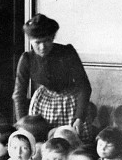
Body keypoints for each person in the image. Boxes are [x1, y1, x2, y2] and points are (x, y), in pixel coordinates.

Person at [13, 14, 92, 142]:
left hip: (71, 103)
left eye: (47, 41)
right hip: (43, 104)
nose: (43, 47)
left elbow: (84, 86)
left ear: (53, 38)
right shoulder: (27, 59)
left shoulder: (67, 52)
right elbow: (19, 94)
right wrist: (22, 124)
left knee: (72, 142)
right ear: (30, 41)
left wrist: (79, 118)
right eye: (38, 43)